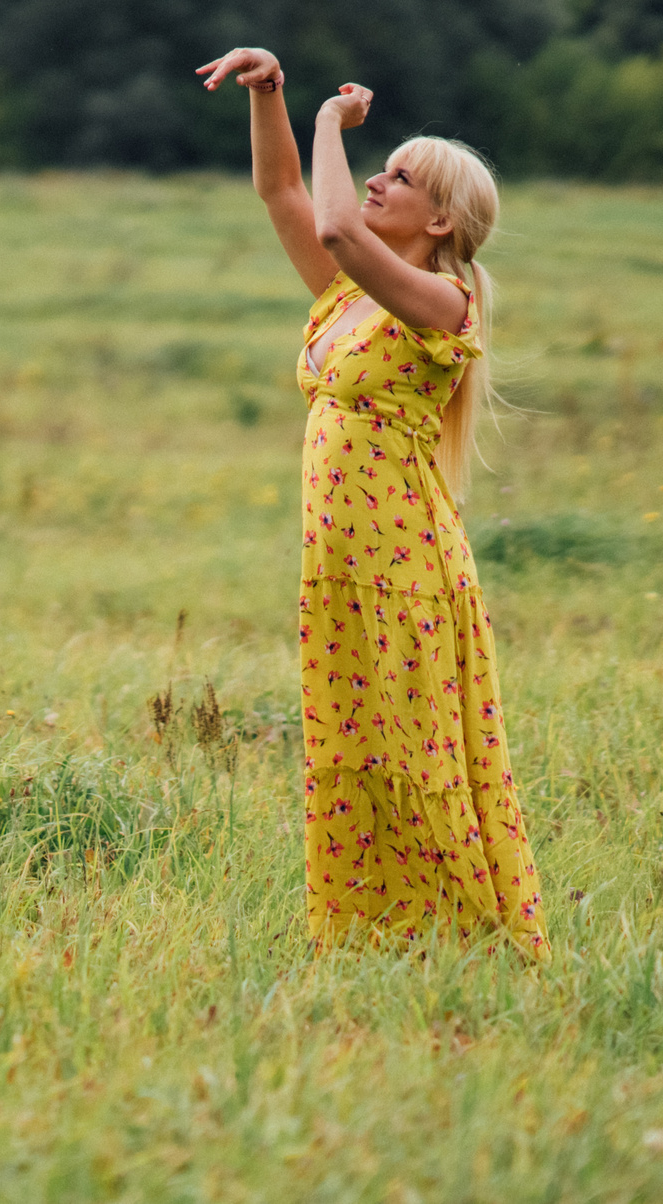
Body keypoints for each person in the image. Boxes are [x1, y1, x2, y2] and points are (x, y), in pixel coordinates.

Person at [195, 46, 546, 958]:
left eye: (400, 175)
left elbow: (342, 226)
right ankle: (376, 937)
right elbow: (286, 200)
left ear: (440, 220)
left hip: (406, 574)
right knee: (354, 759)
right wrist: (272, 94)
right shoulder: (345, 299)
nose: (378, 180)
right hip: (341, 576)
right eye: (379, 168)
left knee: (420, 756)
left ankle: (477, 940)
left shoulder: (441, 302)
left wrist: (326, 122)